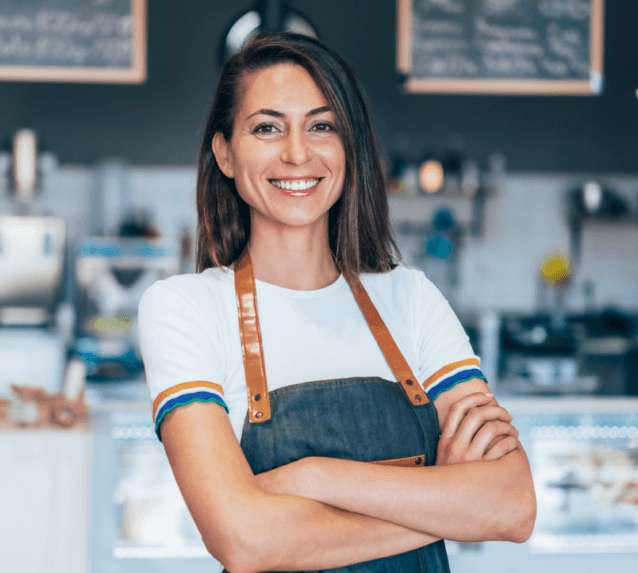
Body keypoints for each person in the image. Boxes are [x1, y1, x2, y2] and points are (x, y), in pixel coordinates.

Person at [138, 32, 535, 573]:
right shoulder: (183, 309)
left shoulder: (410, 298)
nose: (297, 153)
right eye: (267, 128)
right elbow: (243, 541)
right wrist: (447, 500)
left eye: (322, 126)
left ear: (350, 148)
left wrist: (314, 477)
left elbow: (512, 506)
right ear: (225, 153)